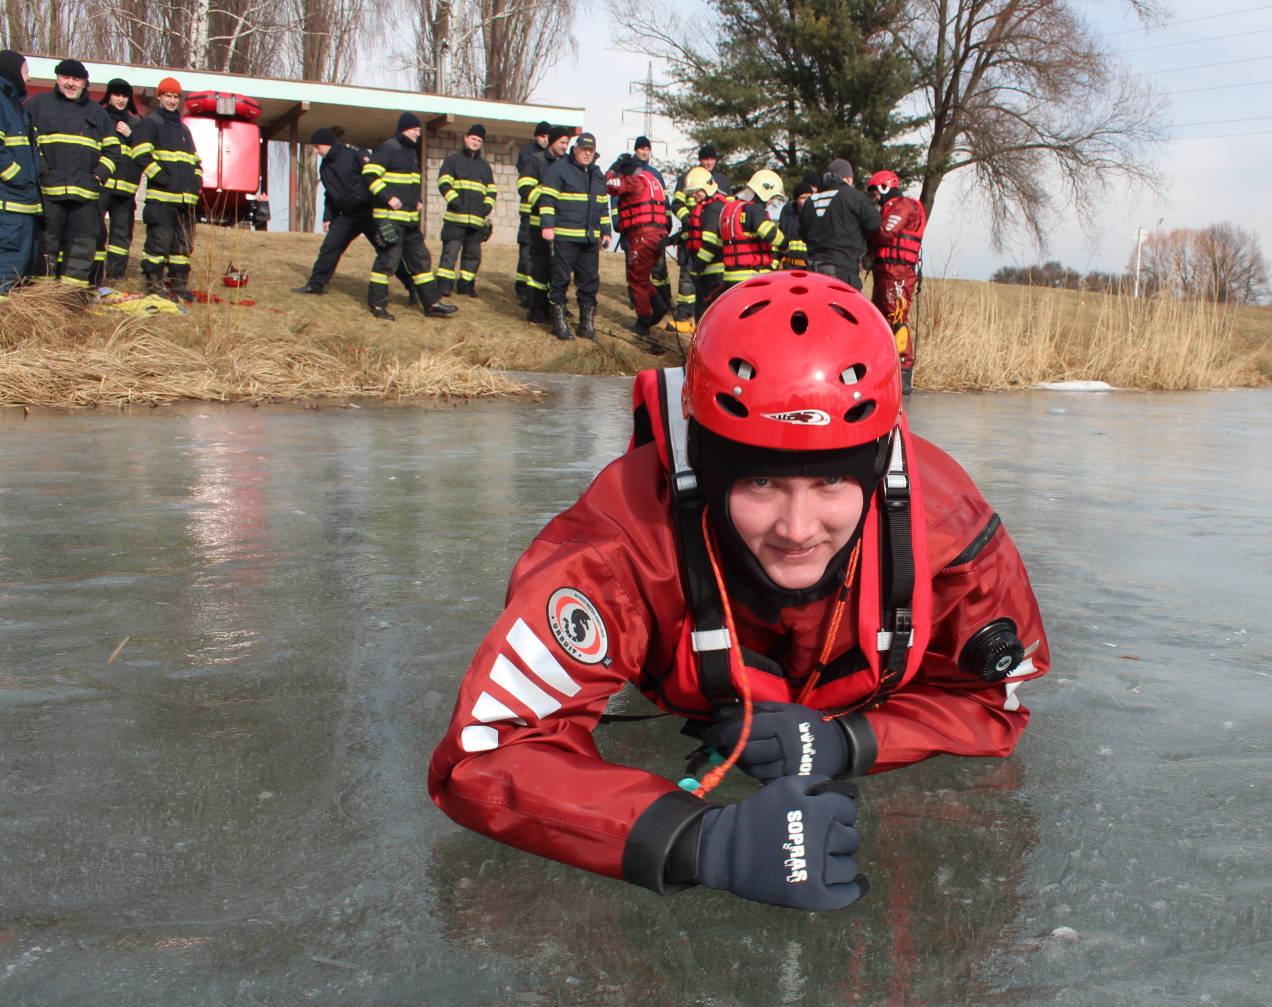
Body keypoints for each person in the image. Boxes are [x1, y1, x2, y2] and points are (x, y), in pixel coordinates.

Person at [427, 270, 1050, 911]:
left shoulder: (950, 535)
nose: (798, 529)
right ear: (709, 463)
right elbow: (486, 752)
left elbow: (991, 700)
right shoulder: (622, 542)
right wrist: (697, 840)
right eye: (760, 485)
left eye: (832, 483)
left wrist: (852, 740)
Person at [291, 128, 416, 301]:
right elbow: (330, 193)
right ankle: (316, 284)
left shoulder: (354, 154)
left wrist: (385, 201)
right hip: (347, 215)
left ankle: (413, 287)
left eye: (317, 146)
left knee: (388, 251)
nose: (315, 150)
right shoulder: (325, 167)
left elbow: (374, 178)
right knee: (329, 247)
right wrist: (328, 216)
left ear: (326, 143)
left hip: (369, 212)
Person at [27, 58, 116, 290]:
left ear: (85, 83)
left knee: (82, 248)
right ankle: (42, 298)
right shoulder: (37, 105)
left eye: (76, 79)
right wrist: (42, 170)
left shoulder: (98, 113)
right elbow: (26, 145)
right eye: (65, 77)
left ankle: (70, 298)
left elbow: (114, 151)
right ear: (57, 78)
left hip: (85, 195)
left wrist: (98, 175)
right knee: (45, 245)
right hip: (48, 192)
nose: (70, 83)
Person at [363, 112, 455, 321]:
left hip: (410, 220)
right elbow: (369, 174)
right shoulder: (388, 148)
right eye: (415, 130)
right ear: (405, 128)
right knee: (387, 263)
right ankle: (377, 305)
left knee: (421, 261)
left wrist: (417, 200)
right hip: (390, 218)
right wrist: (388, 197)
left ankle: (431, 303)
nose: (418, 134)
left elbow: (409, 183)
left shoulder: (410, 152)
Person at [128, 77, 201, 301]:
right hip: (161, 199)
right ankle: (155, 284)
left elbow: (195, 161)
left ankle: (179, 285)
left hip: (186, 201)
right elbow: (139, 154)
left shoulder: (183, 129)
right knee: (158, 243)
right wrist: (163, 178)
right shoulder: (149, 123)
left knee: (183, 247)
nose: (171, 100)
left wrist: (197, 183)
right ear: (159, 96)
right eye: (167, 95)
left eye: (175, 96)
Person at [538, 130, 609, 341]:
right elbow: (547, 199)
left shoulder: (597, 174)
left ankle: (586, 326)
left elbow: (602, 207)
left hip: (589, 239)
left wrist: (606, 232)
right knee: (559, 280)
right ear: (575, 149)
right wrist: (547, 226)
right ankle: (558, 324)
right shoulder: (559, 169)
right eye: (583, 149)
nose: (587, 154)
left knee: (589, 282)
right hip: (564, 237)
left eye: (591, 150)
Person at [605, 148, 671, 346]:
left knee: (636, 279)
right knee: (642, 276)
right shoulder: (653, 180)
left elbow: (609, 185)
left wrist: (614, 169)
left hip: (642, 235)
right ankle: (658, 305)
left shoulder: (634, 181)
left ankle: (643, 322)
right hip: (658, 234)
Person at [867, 170, 926, 373]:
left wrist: (867, 221)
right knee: (878, 317)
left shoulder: (902, 206)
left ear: (884, 187)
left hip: (898, 271)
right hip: (885, 270)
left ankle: (903, 367)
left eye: (874, 192)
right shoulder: (888, 208)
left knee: (896, 316)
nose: (873, 197)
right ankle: (884, 365)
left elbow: (886, 232)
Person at [669, 145, 733, 326]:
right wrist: (689, 222)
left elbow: (711, 242)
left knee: (709, 311)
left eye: (712, 158)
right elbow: (676, 205)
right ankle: (684, 311)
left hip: (712, 264)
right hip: (693, 235)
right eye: (706, 159)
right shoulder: (687, 179)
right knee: (690, 283)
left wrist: (697, 268)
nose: (709, 161)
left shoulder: (715, 202)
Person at [436, 123, 496, 298]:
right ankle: (444, 285)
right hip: (455, 219)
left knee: (473, 256)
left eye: (479, 140)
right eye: (473, 139)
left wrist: (488, 206)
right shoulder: (452, 160)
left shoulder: (485, 166)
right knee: (450, 254)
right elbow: (443, 183)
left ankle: (466, 285)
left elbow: (491, 189)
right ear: (465, 138)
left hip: (476, 221)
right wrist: (455, 201)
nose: (476, 143)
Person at [800, 159, 880, 289]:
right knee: (839, 307)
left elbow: (803, 234)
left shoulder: (810, 201)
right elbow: (874, 223)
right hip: (841, 268)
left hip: (812, 267)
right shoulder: (852, 195)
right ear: (848, 178)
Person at [517, 125, 568, 322]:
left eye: (567, 143)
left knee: (558, 269)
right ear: (552, 142)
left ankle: (555, 306)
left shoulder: (566, 164)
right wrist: (545, 201)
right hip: (539, 223)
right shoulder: (535, 161)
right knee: (539, 268)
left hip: (562, 226)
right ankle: (536, 309)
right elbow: (524, 186)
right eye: (562, 143)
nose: (565, 147)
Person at [0, 50, 40, 294]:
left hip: (23, 204)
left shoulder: (19, 108)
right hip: (9, 205)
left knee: (19, 272)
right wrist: (19, 179)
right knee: (6, 269)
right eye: (26, 72)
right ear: (13, 72)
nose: (29, 77)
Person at [96, 78, 140, 282]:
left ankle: (116, 276)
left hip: (125, 190)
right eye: (117, 94)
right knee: (94, 230)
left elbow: (143, 153)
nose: (121, 99)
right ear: (109, 96)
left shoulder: (136, 124)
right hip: (100, 187)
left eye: (125, 95)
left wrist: (132, 136)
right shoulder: (98, 117)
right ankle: (93, 274)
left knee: (121, 237)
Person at [713, 169, 786, 290]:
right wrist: (785, 244)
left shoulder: (729, 209)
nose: (772, 200)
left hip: (730, 277)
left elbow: (719, 242)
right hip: (752, 276)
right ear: (765, 190)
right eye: (772, 196)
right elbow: (769, 233)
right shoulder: (755, 209)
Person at [686, 167, 732, 321]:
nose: (693, 195)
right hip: (708, 273)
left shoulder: (713, 210)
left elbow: (710, 245)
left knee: (707, 316)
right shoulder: (707, 207)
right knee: (703, 314)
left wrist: (696, 269)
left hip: (714, 274)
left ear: (707, 187)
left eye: (696, 191)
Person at [513, 122, 551, 307]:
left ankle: (533, 290)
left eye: (548, 136)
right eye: (542, 136)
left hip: (548, 214)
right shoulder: (528, 155)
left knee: (542, 254)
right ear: (536, 137)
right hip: (530, 211)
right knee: (527, 251)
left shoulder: (555, 158)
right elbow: (527, 181)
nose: (545, 139)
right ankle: (524, 290)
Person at [778, 172, 819, 270]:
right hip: (789, 266)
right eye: (803, 198)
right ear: (796, 199)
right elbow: (780, 238)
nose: (806, 200)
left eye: (809, 197)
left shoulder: (817, 216)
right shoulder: (787, 213)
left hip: (809, 267)